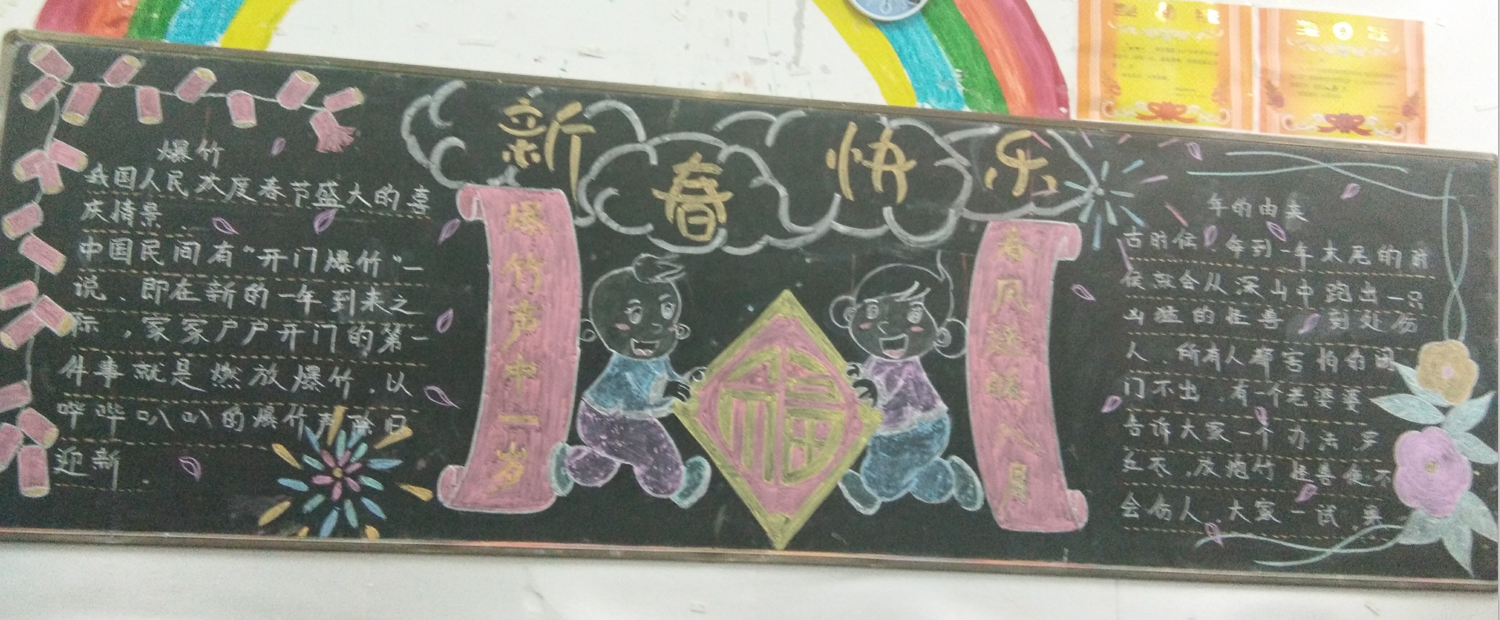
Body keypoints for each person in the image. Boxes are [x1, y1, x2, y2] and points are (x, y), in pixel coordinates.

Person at [549, 253, 711, 508]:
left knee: (602, 464)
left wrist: (685, 382)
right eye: (636, 313)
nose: (656, 325)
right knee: (653, 447)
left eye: (667, 309)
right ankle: (674, 483)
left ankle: (570, 465)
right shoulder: (623, 370)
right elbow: (637, 404)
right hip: (601, 421)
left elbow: (667, 377)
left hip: (617, 421)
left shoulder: (657, 355)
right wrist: (668, 396)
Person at [830, 255, 984, 515]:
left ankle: (873, 491)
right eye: (873, 310)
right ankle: (950, 478)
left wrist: (869, 390)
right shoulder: (877, 360)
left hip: (920, 429)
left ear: (941, 335)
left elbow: (883, 387)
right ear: (850, 314)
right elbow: (869, 381)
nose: (889, 324)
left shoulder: (903, 366)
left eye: (913, 314)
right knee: (925, 486)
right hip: (891, 430)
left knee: (885, 483)